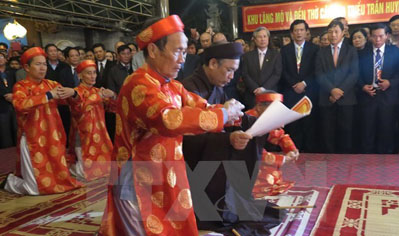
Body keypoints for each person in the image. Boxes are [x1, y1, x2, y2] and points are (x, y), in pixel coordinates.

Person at [98, 15, 244, 236]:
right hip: (137, 176)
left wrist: (232, 112)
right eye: (178, 51)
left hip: (165, 171)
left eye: (185, 52)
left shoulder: (172, 85)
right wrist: (223, 114)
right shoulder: (138, 84)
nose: (182, 60)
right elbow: (168, 120)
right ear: (154, 50)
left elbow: (201, 106)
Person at [182, 43, 285, 234]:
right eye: (229, 70)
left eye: (234, 71)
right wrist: (227, 139)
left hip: (213, 148)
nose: (231, 77)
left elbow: (230, 118)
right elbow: (188, 138)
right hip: (194, 159)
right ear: (213, 63)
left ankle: (231, 200)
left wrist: (263, 123)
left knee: (249, 129)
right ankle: (214, 209)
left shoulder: (216, 87)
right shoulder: (189, 89)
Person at [0, 47, 82, 195]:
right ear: (26, 67)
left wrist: (74, 93)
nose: (42, 67)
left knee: (58, 177)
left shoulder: (51, 84)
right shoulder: (21, 86)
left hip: (53, 134)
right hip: (32, 139)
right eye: (38, 64)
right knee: (34, 189)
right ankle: (10, 183)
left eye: (44, 64)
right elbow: (20, 105)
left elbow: (71, 102)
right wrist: (48, 96)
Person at [67, 60, 116, 181]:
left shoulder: (97, 90)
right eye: (88, 73)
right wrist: (99, 96)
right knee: (84, 170)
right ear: (80, 75)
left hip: (100, 130)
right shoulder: (75, 92)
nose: (93, 76)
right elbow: (80, 109)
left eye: (94, 73)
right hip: (83, 132)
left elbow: (112, 107)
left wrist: (113, 96)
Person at [357, 24, 399, 154]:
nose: (377, 40)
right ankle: (366, 159)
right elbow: (356, 74)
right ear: (370, 36)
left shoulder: (395, 52)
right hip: (368, 96)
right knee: (367, 130)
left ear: (387, 36)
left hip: (388, 96)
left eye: (381, 36)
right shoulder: (361, 53)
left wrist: (390, 82)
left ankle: (385, 158)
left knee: (386, 129)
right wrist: (362, 86)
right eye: (374, 36)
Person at [316, 19, 359, 153]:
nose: (333, 35)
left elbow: (354, 74)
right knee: (327, 132)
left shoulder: (351, 50)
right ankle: (330, 158)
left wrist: (339, 91)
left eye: (336, 32)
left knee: (346, 132)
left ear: (343, 33)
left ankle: (345, 161)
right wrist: (332, 90)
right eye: (330, 32)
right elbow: (319, 74)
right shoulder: (321, 52)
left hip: (346, 99)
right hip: (326, 98)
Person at [245, 91, 298, 198]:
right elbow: (253, 150)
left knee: (273, 174)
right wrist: (282, 159)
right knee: (268, 174)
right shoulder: (247, 120)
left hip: (254, 157)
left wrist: (292, 149)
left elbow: (279, 136)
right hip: (240, 159)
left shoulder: (265, 117)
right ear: (259, 107)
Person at [280, 19, 319, 152]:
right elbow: (282, 70)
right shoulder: (284, 50)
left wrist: (304, 83)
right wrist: (293, 84)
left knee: (309, 125)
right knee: (293, 126)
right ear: (292, 33)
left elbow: (316, 70)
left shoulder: (315, 49)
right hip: (291, 93)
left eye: (302, 30)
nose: (299, 33)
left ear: (307, 32)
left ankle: (309, 152)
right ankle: (294, 152)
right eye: (296, 30)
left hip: (308, 92)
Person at [242, 26, 282, 109]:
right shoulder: (247, 56)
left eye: (265, 36)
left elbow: (277, 74)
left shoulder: (276, 55)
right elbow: (245, 75)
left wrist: (264, 89)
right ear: (255, 39)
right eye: (259, 37)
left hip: (270, 95)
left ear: (268, 38)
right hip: (252, 95)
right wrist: (255, 89)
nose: (262, 39)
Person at [0, 52, 17, 149]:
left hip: (15, 103)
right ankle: (6, 154)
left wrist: (13, 94)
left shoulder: (13, 72)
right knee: (4, 131)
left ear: (6, 59)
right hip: (0, 105)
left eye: (1, 57)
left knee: (17, 129)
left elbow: (18, 84)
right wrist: (5, 95)